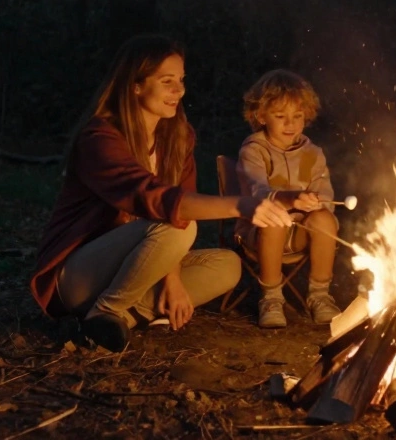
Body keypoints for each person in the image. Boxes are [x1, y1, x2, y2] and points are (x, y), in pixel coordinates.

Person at [29, 35, 298, 352]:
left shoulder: (178, 137)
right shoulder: (100, 138)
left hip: (137, 266)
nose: (179, 91)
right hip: (80, 276)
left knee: (228, 265)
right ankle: (107, 311)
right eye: (167, 81)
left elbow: (176, 206)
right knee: (180, 225)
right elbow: (153, 198)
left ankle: (116, 321)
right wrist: (242, 205)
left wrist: (173, 279)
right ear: (136, 85)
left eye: (181, 80)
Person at [235, 70, 343, 328]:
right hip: (258, 232)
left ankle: (319, 295)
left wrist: (317, 202)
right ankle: (271, 298)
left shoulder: (313, 154)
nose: (290, 124)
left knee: (324, 220)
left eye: (297, 116)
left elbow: (325, 195)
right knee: (274, 220)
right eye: (280, 116)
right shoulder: (254, 151)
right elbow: (258, 192)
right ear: (261, 116)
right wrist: (291, 199)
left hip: (301, 233)